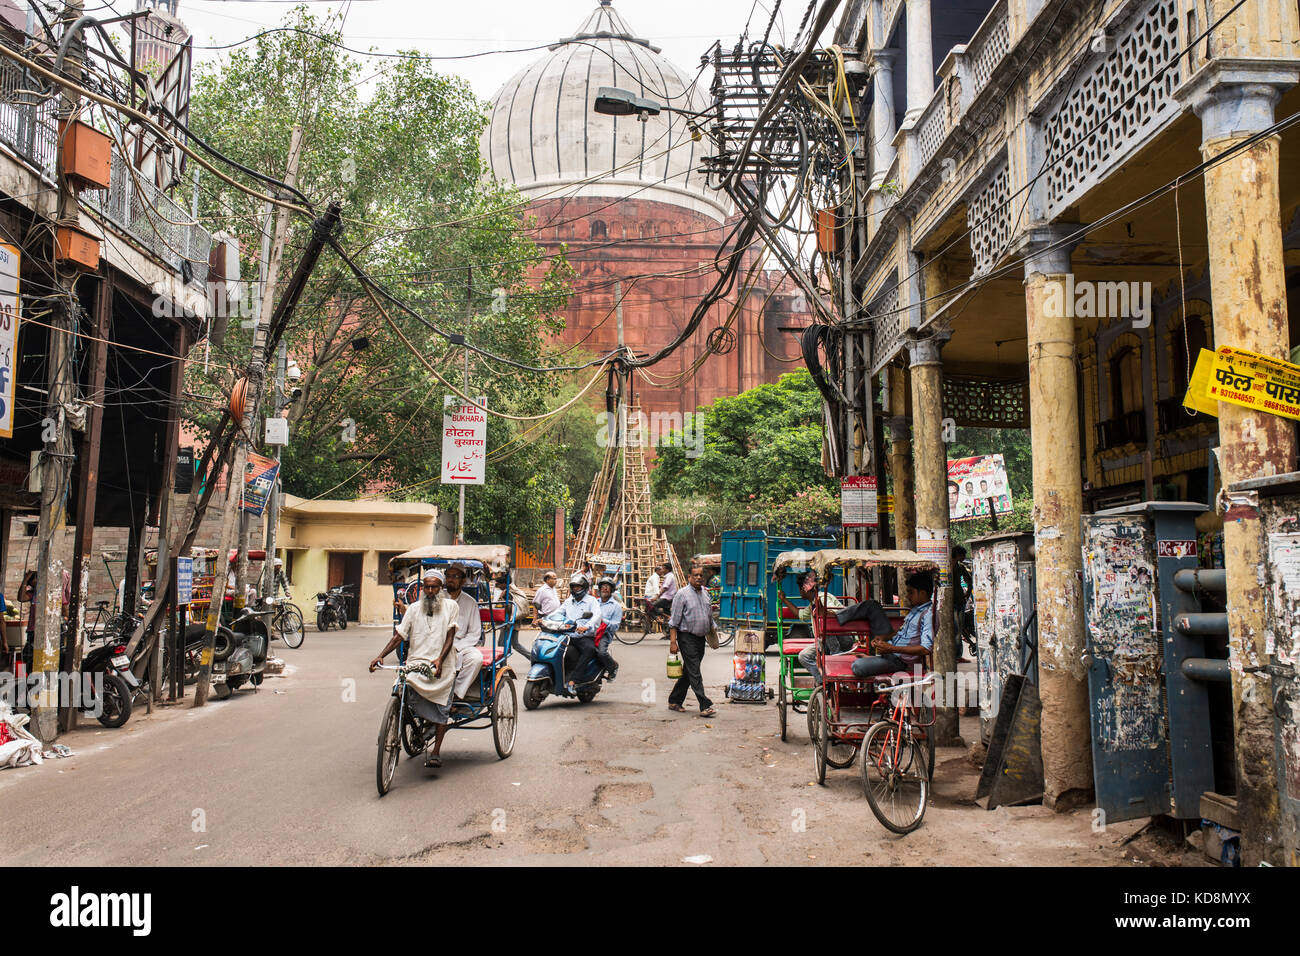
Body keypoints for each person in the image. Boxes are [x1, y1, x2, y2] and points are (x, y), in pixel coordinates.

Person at [368, 568, 459, 767]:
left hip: (442, 664)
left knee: (443, 708)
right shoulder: (414, 609)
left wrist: (440, 659)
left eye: (434, 587)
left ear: (441, 587)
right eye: (426, 587)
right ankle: (418, 726)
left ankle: (435, 751)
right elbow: (399, 635)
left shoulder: (451, 606)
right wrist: (380, 656)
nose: (430, 590)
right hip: (416, 662)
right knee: (406, 691)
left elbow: (450, 635)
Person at [851, 571, 935, 679]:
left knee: (857, 666)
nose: (908, 596)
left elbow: (926, 649)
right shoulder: (915, 610)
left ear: (922, 593)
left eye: (911, 592)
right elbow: (902, 632)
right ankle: (874, 658)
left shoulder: (928, 615)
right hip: (891, 653)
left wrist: (892, 648)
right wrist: (884, 638)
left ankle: (875, 660)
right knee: (872, 605)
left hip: (901, 661)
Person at [777, 570, 851, 685]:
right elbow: (800, 615)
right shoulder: (812, 604)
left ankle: (835, 658)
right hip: (825, 642)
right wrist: (784, 600)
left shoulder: (823, 598)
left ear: (803, 588)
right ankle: (824, 681)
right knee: (804, 656)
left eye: (800, 589)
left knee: (825, 623)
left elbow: (832, 617)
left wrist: (822, 611)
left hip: (841, 639)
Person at [667, 565, 715, 716]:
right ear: (689, 577)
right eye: (695, 575)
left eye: (701, 575)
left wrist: (713, 633)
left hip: (701, 638)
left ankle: (674, 700)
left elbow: (709, 616)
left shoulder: (706, 594)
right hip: (686, 637)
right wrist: (673, 642)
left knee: (689, 671)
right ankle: (704, 705)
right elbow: (674, 621)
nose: (699, 578)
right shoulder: (682, 595)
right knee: (694, 670)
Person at [442, 564, 483, 706]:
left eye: (455, 576)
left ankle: (455, 696)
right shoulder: (438, 598)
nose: (450, 580)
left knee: (476, 659)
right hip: (437, 643)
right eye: (448, 576)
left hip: (461, 645)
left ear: (463, 580)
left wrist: (456, 647)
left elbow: (474, 633)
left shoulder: (470, 603)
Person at [557, 573, 602, 695]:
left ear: (585, 588)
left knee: (589, 649)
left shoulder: (592, 601)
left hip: (584, 636)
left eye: (578, 586)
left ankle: (574, 681)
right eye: (574, 586)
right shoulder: (568, 601)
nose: (576, 589)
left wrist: (586, 626)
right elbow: (558, 613)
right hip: (568, 635)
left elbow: (597, 616)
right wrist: (543, 619)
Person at [594, 577, 621, 681]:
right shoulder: (594, 602)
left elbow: (615, 626)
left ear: (611, 590)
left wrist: (603, 621)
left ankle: (613, 666)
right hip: (590, 631)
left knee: (601, 652)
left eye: (607, 586)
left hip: (604, 634)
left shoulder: (616, 606)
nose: (604, 588)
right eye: (603, 586)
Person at [951, 546, 975, 661]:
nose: (964, 558)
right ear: (958, 554)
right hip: (952, 603)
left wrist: (967, 594)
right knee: (956, 629)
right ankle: (956, 655)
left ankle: (958, 655)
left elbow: (969, 581)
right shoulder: (948, 567)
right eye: (963, 555)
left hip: (959, 601)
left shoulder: (960, 567)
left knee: (958, 629)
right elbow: (969, 581)